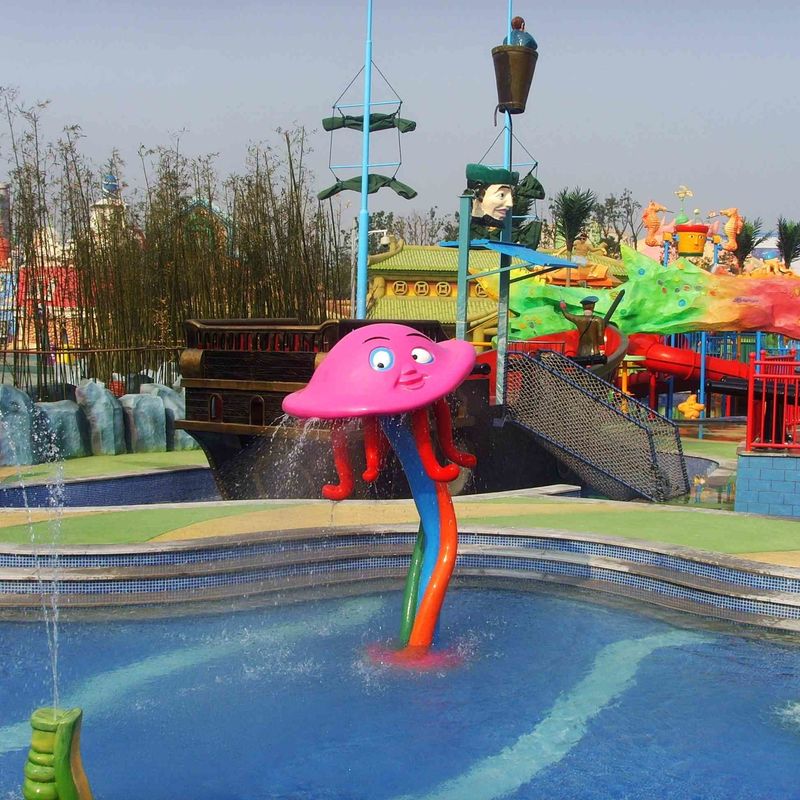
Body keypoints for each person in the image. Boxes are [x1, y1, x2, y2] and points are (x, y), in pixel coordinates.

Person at [465, 163, 518, 230]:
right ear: (479, 193)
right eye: (501, 195)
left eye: (511, 196)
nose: (510, 204)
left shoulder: (507, 233)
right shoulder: (470, 233)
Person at [558, 295, 606, 361]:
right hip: (594, 352)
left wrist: (563, 307)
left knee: (580, 366)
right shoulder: (598, 320)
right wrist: (602, 348)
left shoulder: (578, 319)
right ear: (593, 306)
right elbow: (600, 336)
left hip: (581, 352)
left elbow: (567, 315)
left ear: (583, 307)